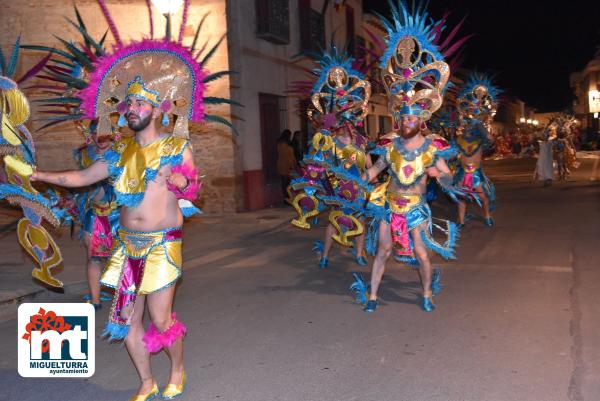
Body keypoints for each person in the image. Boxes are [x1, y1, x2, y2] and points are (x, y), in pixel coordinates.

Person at [27, 3, 233, 397]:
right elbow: (80, 178)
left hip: (162, 245)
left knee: (160, 318)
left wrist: (178, 180)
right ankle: (145, 380)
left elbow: (193, 190)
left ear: (157, 109)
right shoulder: (118, 154)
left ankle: (177, 370)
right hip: (127, 246)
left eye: (141, 103)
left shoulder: (177, 146)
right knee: (124, 320)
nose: (133, 109)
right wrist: (38, 175)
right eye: (130, 104)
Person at [351, 1, 468, 313]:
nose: (405, 123)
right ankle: (372, 296)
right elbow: (376, 169)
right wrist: (357, 182)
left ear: (421, 120)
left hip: (416, 208)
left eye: (411, 119)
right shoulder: (390, 146)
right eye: (401, 119)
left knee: (421, 253)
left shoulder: (431, 147)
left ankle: (427, 292)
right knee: (382, 251)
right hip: (390, 205)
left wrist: (444, 177)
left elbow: (445, 174)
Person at [288, 47, 372, 268]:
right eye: (341, 122)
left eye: (348, 121)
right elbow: (317, 166)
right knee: (333, 223)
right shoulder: (329, 142)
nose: (346, 126)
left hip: (358, 188)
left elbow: (369, 166)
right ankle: (324, 255)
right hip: (338, 188)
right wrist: (312, 186)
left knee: (360, 220)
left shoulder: (361, 142)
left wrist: (365, 182)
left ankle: (360, 253)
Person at [72, 127, 118, 310]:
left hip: (121, 214)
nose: (101, 136)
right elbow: (79, 182)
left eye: (105, 132)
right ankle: (95, 300)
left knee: (123, 259)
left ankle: (125, 300)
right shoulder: (85, 156)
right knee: (94, 258)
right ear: (90, 136)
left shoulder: (123, 153)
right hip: (96, 215)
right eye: (96, 133)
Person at [453, 73, 500, 227]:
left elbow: (490, 142)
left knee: (482, 196)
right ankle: (460, 220)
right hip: (461, 171)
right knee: (461, 198)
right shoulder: (459, 138)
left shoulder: (481, 138)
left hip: (476, 173)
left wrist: (488, 133)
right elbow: (452, 151)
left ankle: (487, 215)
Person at [276, 129, 296, 200]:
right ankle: (287, 198)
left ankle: (288, 198)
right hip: (285, 165)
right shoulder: (282, 144)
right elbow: (287, 155)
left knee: (287, 183)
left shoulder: (283, 143)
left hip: (285, 165)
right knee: (286, 183)